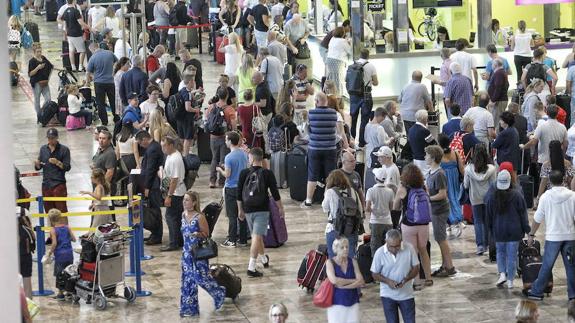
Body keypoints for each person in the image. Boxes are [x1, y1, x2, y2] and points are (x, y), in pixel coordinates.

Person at [526, 171, 575, 301]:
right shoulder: (572, 196)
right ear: (564, 180)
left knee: (547, 265)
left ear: (549, 181)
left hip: (553, 237)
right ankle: (573, 294)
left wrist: (531, 234)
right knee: (571, 267)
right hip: (570, 237)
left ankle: (536, 292)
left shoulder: (545, 197)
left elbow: (537, 218)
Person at [237, 147, 284, 277]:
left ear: (251, 158)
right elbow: (275, 193)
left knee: (256, 236)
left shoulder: (243, 173)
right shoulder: (267, 173)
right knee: (256, 237)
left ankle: (263, 259)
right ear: (262, 159)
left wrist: (240, 209)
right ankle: (251, 267)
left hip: (247, 208)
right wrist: (280, 208)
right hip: (262, 209)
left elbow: (239, 194)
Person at [179, 190, 226, 317]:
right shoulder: (183, 215)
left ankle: (219, 292)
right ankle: (189, 308)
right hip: (186, 254)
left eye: (187, 200)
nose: (184, 202)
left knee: (202, 278)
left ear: (194, 203)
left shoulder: (199, 217)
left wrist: (197, 234)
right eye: (184, 199)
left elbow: (206, 233)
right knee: (187, 280)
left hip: (198, 253)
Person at [485, 170, 530, 289]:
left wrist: (490, 230)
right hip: (515, 231)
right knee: (512, 255)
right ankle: (510, 280)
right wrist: (528, 229)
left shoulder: (492, 197)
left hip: (499, 230)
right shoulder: (517, 195)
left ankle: (502, 274)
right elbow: (523, 215)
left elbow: (488, 216)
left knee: (500, 252)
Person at [392, 164, 432, 290]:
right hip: (424, 224)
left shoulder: (402, 189)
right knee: (423, 250)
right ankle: (429, 278)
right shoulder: (423, 187)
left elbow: (395, 206)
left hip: (409, 224)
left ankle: (417, 281)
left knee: (413, 253)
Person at [371, 229, 419, 323]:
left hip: (407, 295)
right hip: (387, 295)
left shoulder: (409, 248)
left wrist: (406, 279)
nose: (394, 250)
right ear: (386, 242)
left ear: (401, 241)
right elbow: (374, 274)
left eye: (397, 246)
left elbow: (416, 268)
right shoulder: (379, 253)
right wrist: (388, 281)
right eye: (391, 246)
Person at [301, 93, 338, 208]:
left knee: (312, 175)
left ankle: (308, 200)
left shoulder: (311, 113)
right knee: (330, 175)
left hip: (315, 148)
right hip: (331, 148)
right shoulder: (334, 113)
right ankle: (328, 201)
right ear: (326, 101)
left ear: (316, 101)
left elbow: (307, 131)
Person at [425, 145, 456, 277]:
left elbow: (443, 194)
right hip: (435, 209)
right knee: (439, 238)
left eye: (427, 155)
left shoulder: (440, 174)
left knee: (441, 238)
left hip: (440, 210)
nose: (425, 157)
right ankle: (445, 265)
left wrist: (428, 198)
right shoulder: (430, 172)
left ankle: (449, 266)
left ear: (432, 158)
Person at [464, 143, 497, 255]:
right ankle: (488, 244)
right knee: (488, 220)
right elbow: (494, 184)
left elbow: (465, 185)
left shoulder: (468, 169)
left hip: (475, 197)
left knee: (478, 221)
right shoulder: (492, 169)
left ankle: (480, 246)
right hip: (488, 197)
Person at [322, 169, 363, 258]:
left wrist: (326, 191)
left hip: (334, 228)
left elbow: (325, 208)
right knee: (351, 258)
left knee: (333, 258)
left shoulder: (330, 192)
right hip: (351, 228)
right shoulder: (353, 191)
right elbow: (360, 210)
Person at [219, 131, 249, 248]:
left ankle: (232, 239)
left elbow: (227, 174)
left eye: (226, 139)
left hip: (231, 188)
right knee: (241, 213)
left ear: (230, 142)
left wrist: (219, 170)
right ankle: (243, 239)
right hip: (242, 187)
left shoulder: (228, 157)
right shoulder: (243, 154)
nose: (225, 141)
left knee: (232, 215)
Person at [325, 237, 364, 323]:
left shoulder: (353, 262)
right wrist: (353, 281)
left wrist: (344, 287)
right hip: (336, 302)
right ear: (336, 249)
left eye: (347, 247)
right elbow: (334, 281)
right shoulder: (330, 263)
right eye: (342, 247)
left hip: (353, 301)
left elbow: (361, 281)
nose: (345, 249)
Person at [135, 130, 164, 245]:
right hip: (152, 184)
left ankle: (157, 236)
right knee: (154, 210)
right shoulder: (153, 147)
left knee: (154, 212)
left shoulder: (152, 149)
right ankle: (155, 233)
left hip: (153, 186)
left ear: (145, 139)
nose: (141, 146)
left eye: (140, 143)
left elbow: (151, 169)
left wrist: (146, 187)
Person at [35, 128, 71, 214]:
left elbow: (67, 167)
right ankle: (51, 228)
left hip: (58, 184)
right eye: (49, 138)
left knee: (61, 211)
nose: (51, 140)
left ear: (57, 137)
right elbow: (40, 166)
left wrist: (58, 162)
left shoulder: (64, 149)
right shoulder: (43, 149)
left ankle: (63, 227)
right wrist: (37, 164)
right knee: (49, 212)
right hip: (46, 184)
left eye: (52, 138)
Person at [206, 87, 237, 188]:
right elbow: (234, 125)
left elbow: (207, 120)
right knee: (223, 159)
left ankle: (212, 181)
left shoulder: (211, 107)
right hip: (225, 137)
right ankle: (221, 182)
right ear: (227, 96)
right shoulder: (229, 109)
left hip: (213, 137)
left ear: (218, 95)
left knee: (214, 158)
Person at [349, 48, 378, 147]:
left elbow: (346, 79)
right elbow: (376, 83)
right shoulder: (371, 66)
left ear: (359, 55)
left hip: (353, 95)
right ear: (368, 56)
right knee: (364, 119)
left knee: (353, 118)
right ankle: (362, 141)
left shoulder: (353, 65)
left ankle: (351, 140)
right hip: (366, 94)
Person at [44, 208, 76, 300]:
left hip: (60, 255)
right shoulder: (67, 227)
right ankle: (70, 292)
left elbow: (54, 243)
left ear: (51, 220)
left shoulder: (53, 230)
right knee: (69, 272)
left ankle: (60, 293)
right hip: (69, 253)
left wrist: (50, 252)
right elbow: (74, 239)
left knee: (60, 273)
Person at [534, 140, 575, 208]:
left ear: (549, 150)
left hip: (551, 194)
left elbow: (543, 183)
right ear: (561, 149)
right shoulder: (567, 164)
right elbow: (570, 180)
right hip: (566, 194)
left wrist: (538, 199)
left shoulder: (546, 165)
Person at [437, 134, 465, 236]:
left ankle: (449, 224)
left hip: (443, 180)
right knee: (455, 199)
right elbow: (462, 170)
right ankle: (457, 221)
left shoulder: (438, 156)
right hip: (454, 180)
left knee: (445, 201)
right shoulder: (456, 153)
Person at [87, 42, 119, 125]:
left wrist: (88, 81)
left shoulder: (92, 58)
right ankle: (116, 118)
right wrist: (113, 72)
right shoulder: (110, 53)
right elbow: (118, 63)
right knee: (113, 100)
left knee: (100, 103)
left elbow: (88, 72)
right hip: (110, 81)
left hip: (98, 83)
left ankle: (104, 121)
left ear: (93, 49)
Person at [366, 168, 395, 256]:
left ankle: (376, 267)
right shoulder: (390, 191)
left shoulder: (371, 191)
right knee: (389, 246)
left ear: (375, 178)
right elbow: (391, 207)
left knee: (375, 248)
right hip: (387, 221)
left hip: (375, 222)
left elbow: (367, 208)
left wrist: (374, 211)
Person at [363, 107, 393, 189]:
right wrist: (390, 140)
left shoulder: (367, 125)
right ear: (380, 116)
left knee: (370, 175)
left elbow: (365, 139)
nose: (382, 120)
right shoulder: (379, 128)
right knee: (378, 175)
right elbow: (382, 143)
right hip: (377, 154)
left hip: (368, 153)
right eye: (383, 118)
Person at [60, 0, 90, 72]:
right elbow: (81, 22)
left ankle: (73, 67)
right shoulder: (76, 11)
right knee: (82, 51)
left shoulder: (66, 10)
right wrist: (89, 28)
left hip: (69, 34)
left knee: (71, 51)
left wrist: (66, 33)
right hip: (76, 34)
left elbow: (64, 23)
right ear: (73, 1)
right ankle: (80, 67)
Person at [177, 71, 202, 157]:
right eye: (193, 81)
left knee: (181, 137)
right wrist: (196, 110)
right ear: (190, 82)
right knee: (188, 138)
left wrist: (197, 91)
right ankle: (185, 155)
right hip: (187, 119)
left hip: (179, 117)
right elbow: (188, 108)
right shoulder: (187, 94)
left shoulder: (183, 90)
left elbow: (189, 93)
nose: (194, 82)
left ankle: (180, 154)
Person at [28, 45, 54, 124]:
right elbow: (30, 74)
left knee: (48, 99)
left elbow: (51, 67)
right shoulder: (32, 61)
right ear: (34, 52)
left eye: (40, 51)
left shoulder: (44, 58)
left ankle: (43, 112)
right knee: (37, 100)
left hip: (45, 82)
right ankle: (39, 116)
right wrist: (37, 68)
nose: (39, 53)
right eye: (37, 52)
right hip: (36, 83)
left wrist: (48, 78)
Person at [408, 110, 436, 176]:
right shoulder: (424, 131)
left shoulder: (411, 129)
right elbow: (433, 144)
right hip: (424, 160)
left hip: (415, 159)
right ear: (424, 119)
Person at [326, 27, 352, 96]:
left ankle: (330, 95)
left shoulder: (332, 39)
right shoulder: (343, 41)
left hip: (329, 60)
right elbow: (350, 51)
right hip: (337, 61)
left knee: (332, 78)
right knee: (338, 79)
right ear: (342, 33)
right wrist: (350, 43)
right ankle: (338, 96)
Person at [487, 58, 510, 128]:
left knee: (496, 122)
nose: (492, 66)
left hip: (499, 101)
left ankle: (496, 138)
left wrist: (493, 100)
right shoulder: (502, 72)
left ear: (495, 65)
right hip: (500, 100)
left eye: (492, 64)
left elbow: (498, 87)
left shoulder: (499, 73)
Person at [566, 60, 575, 126]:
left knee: (573, 115)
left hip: (574, 95)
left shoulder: (572, 69)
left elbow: (568, 83)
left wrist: (569, 93)